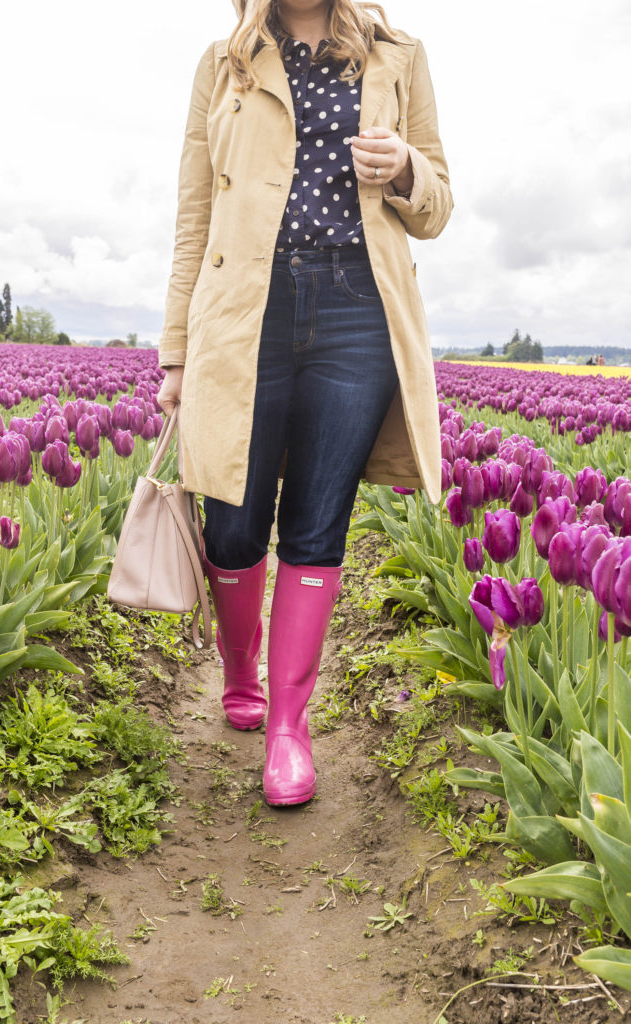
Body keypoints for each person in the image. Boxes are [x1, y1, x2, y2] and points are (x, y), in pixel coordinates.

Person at [156, 0, 452, 806]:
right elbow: (193, 219)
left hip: (358, 308)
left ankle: (289, 726)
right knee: (235, 520)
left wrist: (403, 171)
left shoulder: (397, 54)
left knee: (318, 523)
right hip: (245, 308)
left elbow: (438, 205)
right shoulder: (224, 63)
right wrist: (176, 354)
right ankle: (238, 670)